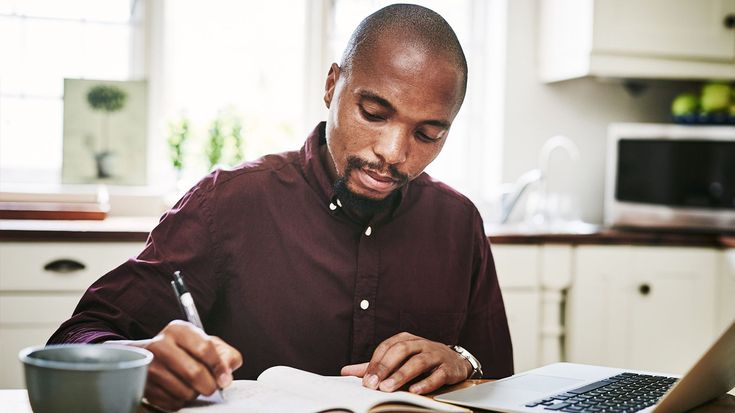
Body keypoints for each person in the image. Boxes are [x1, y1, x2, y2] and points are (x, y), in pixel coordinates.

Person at [49, 4, 513, 411]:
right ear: (332, 86)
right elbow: (78, 337)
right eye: (373, 113)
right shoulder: (227, 203)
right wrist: (141, 359)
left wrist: (463, 360)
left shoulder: (458, 222)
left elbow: (502, 382)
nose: (393, 152)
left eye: (427, 134)